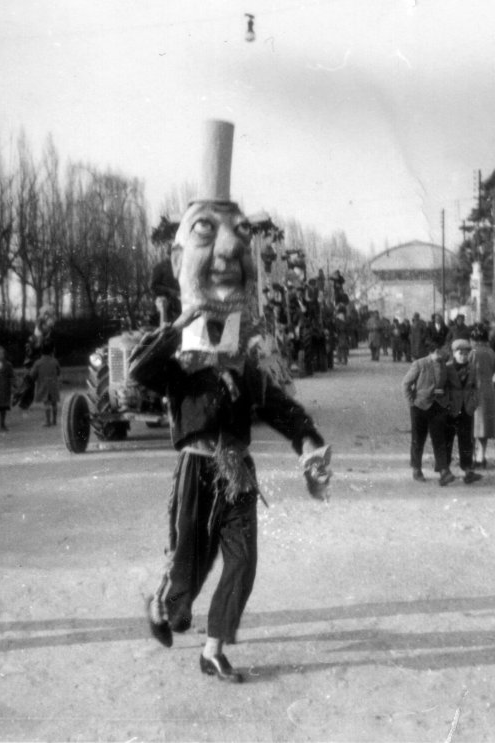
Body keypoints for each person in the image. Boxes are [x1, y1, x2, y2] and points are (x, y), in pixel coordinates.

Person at [130, 120, 332, 683]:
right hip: (196, 470)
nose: (227, 251)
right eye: (205, 234)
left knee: (242, 563)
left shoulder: (246, 351)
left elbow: (276, 404)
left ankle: (213, 649)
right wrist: (180, 328)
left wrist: (308, 440)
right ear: (177, 262)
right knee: (189, 570)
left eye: (237, 238)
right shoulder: (179, 352)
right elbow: (144, 372)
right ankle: (164, 604)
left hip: (237, 471)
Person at [402, 342, 452, 485]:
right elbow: (405, 383)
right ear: (436, 350)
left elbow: (446, 385)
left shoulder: (444, 364)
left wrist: (445, 400)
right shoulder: (420, 364)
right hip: (420, 407)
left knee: (439, 439)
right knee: (418, 439)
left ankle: (443, 470)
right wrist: (412, 402)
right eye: (445, 349)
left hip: (438, 407)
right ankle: (416, 468)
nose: (447, 352)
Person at [444, 338, 482, 485]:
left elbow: (477, 388)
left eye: (466, 353)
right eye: (460, 353)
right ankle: (445, 470)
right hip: (451, 409)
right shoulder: (447, 368)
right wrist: (446, 405)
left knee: (466, 440)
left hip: (466, 409)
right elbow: (443, 388)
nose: (463, 356)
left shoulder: (473, 368)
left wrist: (473, 404)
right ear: (454, 353)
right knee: (448, 439)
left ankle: (467, 470)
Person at [468, 324, 495, 468]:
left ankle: (473, 457)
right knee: (485, 425)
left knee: (472, 424)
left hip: (474, 390)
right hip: (488, 390)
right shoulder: (491, 352)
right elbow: (493, 370)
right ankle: (482, 456)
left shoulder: (472, 352)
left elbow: (469, 372)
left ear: (474, 339)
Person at [30, 342, 62, 427]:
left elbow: (33, 374)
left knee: (47, 403)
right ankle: (54, 420)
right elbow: (58, 372)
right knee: (54, 403)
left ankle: (48, 421)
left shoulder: (38, 363)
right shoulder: (55, 361)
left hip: (43, 384)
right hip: (53, 384)